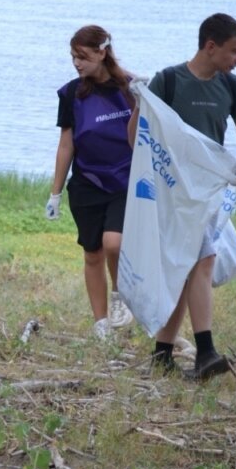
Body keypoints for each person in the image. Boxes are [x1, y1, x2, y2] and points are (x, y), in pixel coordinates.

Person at [145, 12, 236, 380]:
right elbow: (139, 134)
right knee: (199, 261)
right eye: (235, 51)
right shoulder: (168, 81)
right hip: (173, 192)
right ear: (210, 46)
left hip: (210, 192)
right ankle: (204, 351)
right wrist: (141, 103)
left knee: (196, 263)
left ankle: (167, 355)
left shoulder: (232, 87)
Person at [45, 25, 137, 339]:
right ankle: (101, 325)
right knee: (93, 252)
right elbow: (66, 144)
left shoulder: (131, 88)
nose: (77, 63)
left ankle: (120, 297)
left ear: (103, 52)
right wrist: (55, 193)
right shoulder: (71, 93)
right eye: (73, 57)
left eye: (83, 56)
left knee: (115, 242)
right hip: (87, 184)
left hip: (125, 181)